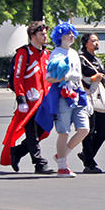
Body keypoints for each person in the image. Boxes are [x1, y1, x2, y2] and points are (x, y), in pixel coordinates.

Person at [36, 22, 91, 177]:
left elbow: (79, 77)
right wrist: (63, 77)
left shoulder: (74, 53)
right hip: (62, 96)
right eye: (67, 33)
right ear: (60, 36)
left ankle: (61, 155)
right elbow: (49, 78)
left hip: (76, 94)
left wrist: (85, 96)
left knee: (84, 129)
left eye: (72, 33)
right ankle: (62, 166)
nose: (71, 36)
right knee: (64, 131)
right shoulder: (56, 54)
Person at [0, 21, 55, 174]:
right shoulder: (24, 53)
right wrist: (21, 98)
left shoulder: (46, 54)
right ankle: (39, 163)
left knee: (44, 131)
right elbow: (17, 77)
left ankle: (17, 152)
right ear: (32, 36)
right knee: (32, 133)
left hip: (44, 102)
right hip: (29, 101)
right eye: (41, 34)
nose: (45, 36)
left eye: (45, 33)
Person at [78, 33, 105, 173]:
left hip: (100, 97)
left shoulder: (97, 59)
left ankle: (87, 154)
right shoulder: (81, 59)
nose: (97, 43)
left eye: (97, 40)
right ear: (86, 43)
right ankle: (89, 162)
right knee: (89, 130)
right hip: (88, 97)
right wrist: (93, 78)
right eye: (93, 40)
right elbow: (79, 78)